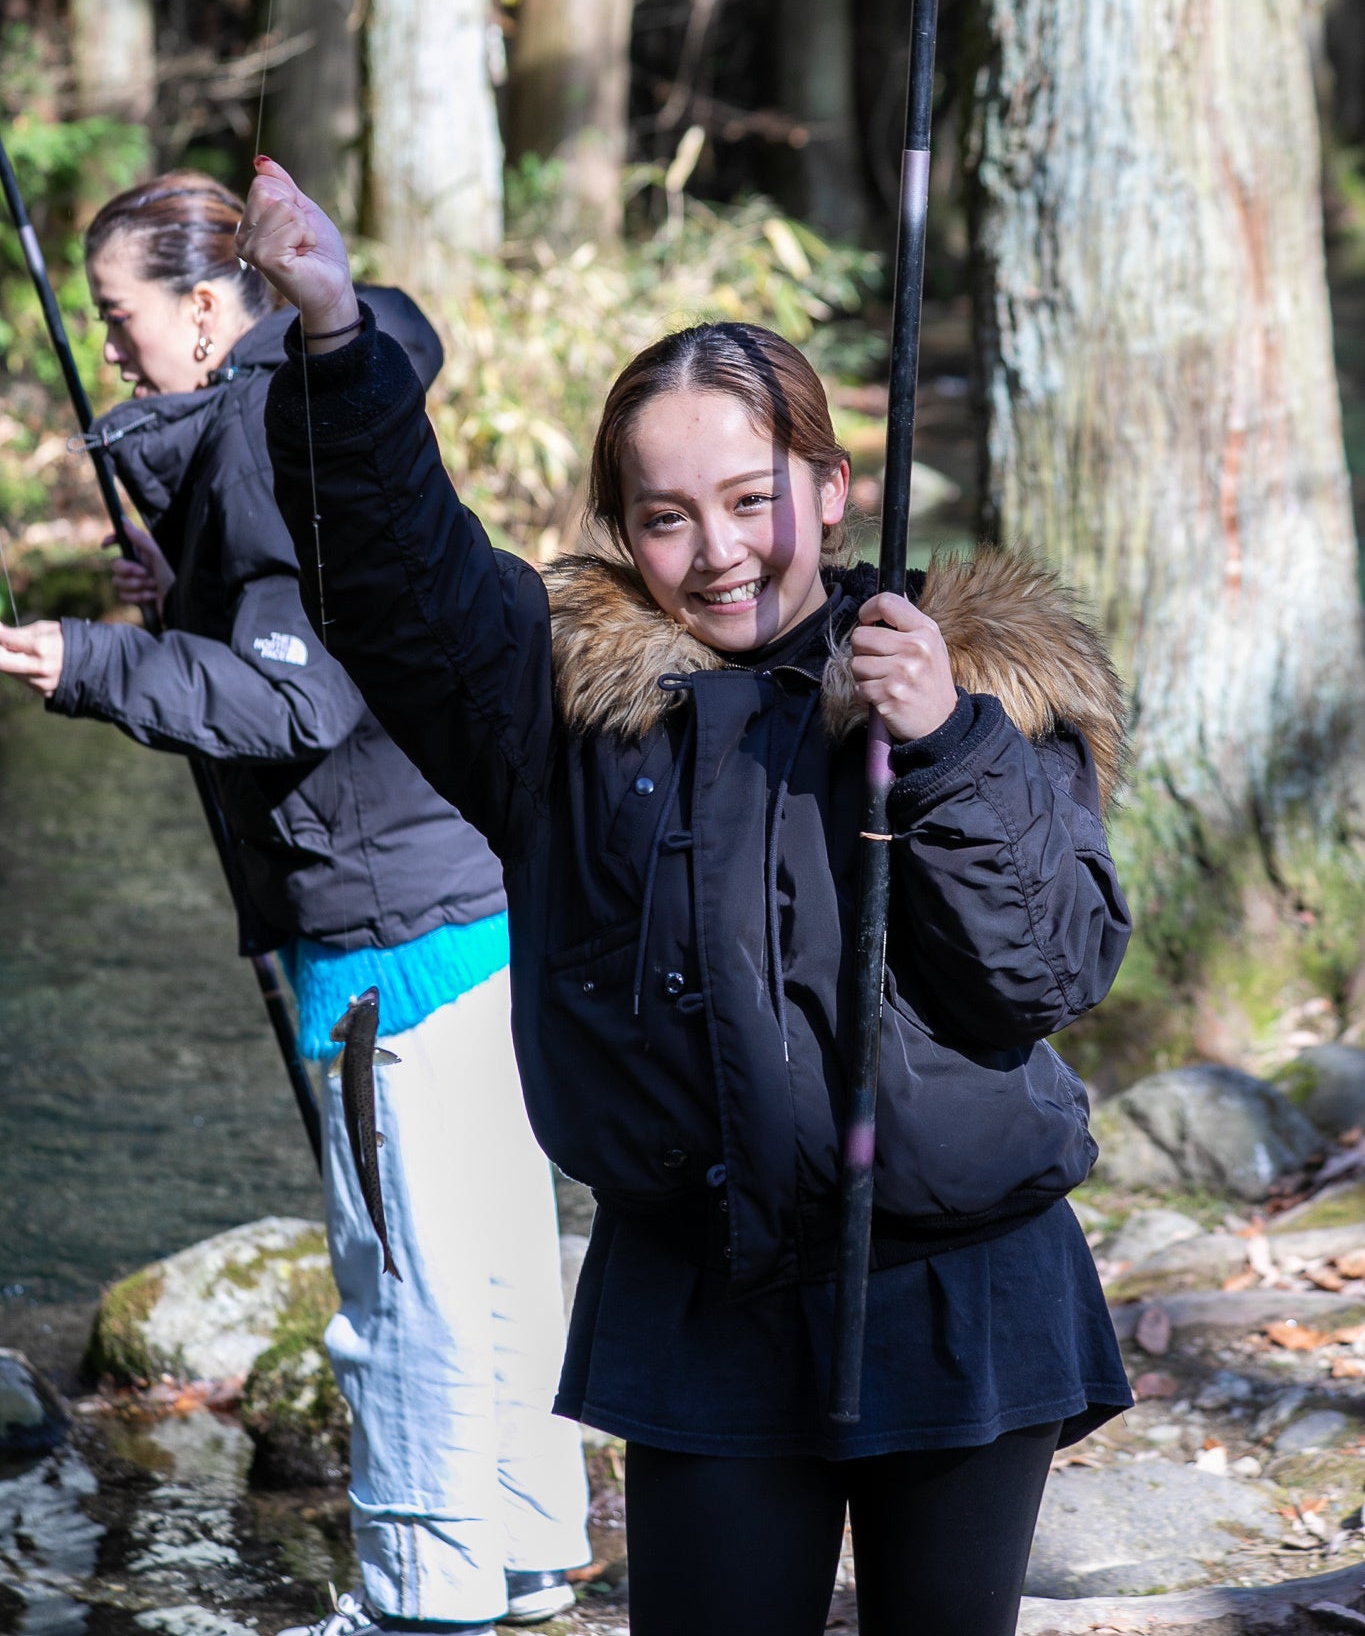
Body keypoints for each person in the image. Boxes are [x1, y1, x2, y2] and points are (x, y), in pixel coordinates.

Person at [238, 156, 1134, 1636]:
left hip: (959, 1291)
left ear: (832, 490)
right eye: (664, 517)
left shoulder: (977, 687)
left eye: (749, 499)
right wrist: (335, 339)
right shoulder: (556, 707)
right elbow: (397, 577)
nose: (716, 552)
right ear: (620, 527)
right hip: (700, 1299)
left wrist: (946, 744)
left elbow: (1040, 975)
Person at [0, 172, 589, 1636]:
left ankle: (417, 1598)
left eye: (122, 312)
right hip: (460, 893)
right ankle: (522, 1554)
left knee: (402, 1292)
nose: (110, 339)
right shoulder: (303, 406)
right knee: (492, 1252)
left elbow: (297, 700)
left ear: (207, 306)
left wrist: (93, 661)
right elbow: (309, 613)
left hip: (385, 927)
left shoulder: (258, 437)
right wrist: (186, 590)